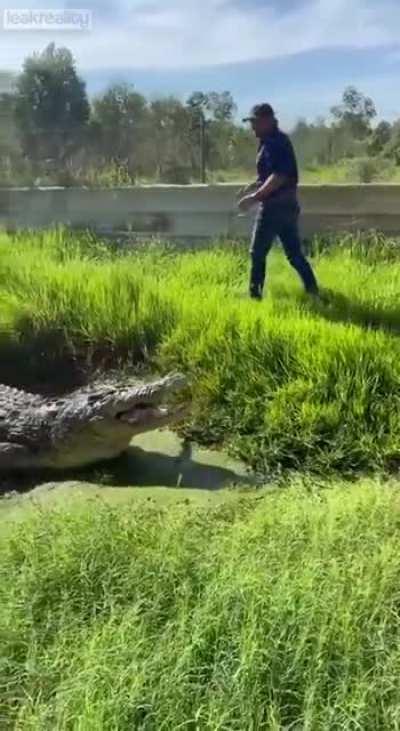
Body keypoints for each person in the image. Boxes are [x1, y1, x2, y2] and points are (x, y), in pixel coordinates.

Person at [238, 103, 319, 300]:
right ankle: (313, 291)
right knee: (294, 254)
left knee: (257, 253)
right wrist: (253, 185)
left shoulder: (275, 142)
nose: (252, 127)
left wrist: (254, 198)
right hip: (288, 206)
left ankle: (255, 297)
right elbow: (269, 175)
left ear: (266, 121)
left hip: (274, 208)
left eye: (255, 123)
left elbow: (279, 176)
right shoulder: (272, 141)